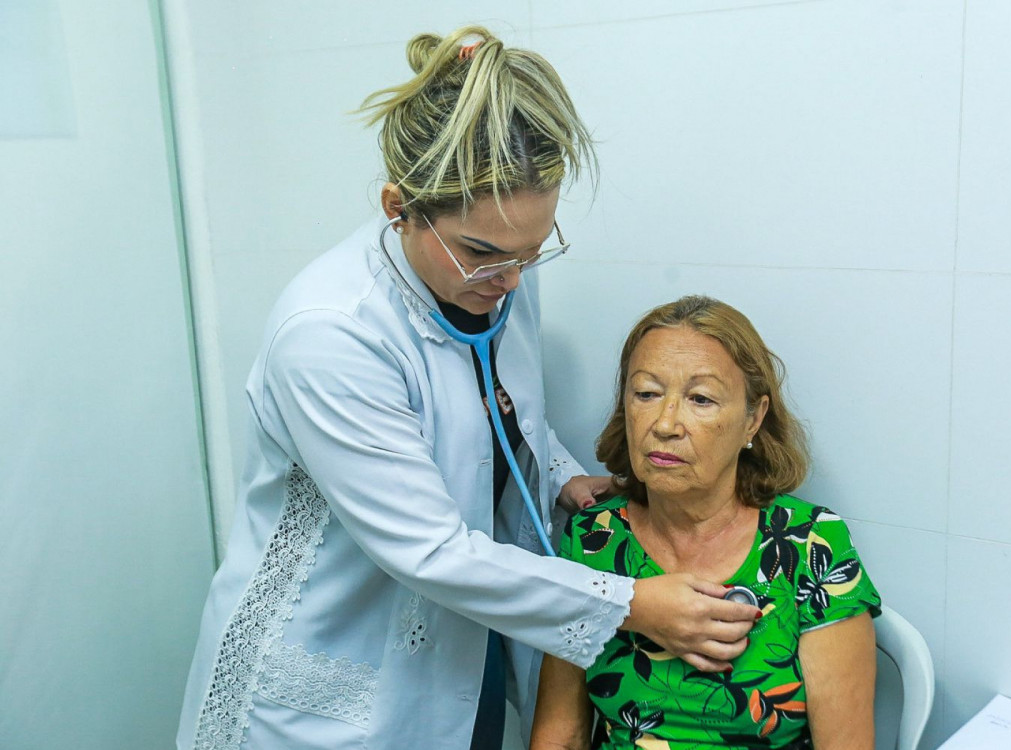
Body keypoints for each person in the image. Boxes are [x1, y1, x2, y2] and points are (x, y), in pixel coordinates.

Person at [176, 28, 758, 750]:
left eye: (532, 252)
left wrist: (561, 474)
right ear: (399, 206)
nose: (511, 281)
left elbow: (494, 405)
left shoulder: (497, 269)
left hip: (461, 654)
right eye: (485, 254)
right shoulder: (331, 333)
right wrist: (634, 602)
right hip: (325, 683)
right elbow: (430, 551)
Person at [531, 296, 882, 750]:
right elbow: (560, 734)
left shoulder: (809, 545)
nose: (665, 423)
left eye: (700, 399)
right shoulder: (595, 538)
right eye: (647, 394)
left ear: (753, 419)